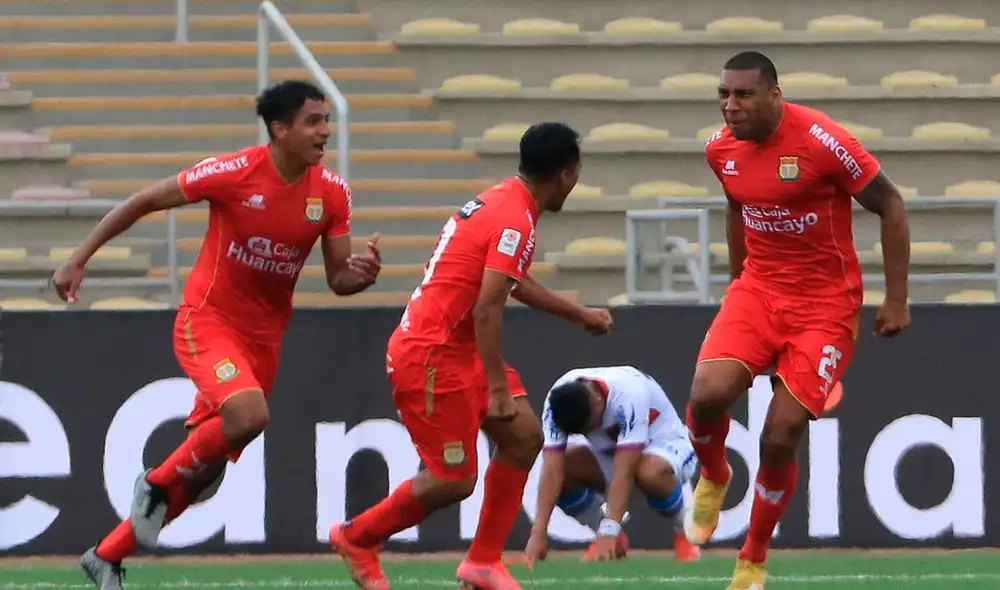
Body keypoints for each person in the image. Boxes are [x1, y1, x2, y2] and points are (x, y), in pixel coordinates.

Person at [55, 80, 383, 590]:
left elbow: (338, 277)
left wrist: (360, 277)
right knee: (247, 416)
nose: (325, 131)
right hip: (208, 321)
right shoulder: (234, 172)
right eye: (314, 121)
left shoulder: (332, 193)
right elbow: (144, 200)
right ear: (280, 129)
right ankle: (156, 482)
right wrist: (79, 259)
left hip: (265, 338)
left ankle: (105, 555)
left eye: (326, 120)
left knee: (205, 473)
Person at [327, 122, 614, 590]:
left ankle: (482, 561)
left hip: (457, 350)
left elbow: (506, 282)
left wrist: (576, 313)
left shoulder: (504, 199)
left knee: (523, 437)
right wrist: (499, 389)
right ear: (566, 174)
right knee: (454, 478)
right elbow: (487, 308)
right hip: (432, 355)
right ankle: (357, 537)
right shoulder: (515, 219)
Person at [686, 51, 911, 589]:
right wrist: (740, 277)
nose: (729, 105)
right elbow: (738, 205)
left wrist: (897, 299)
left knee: (781, 433)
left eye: (742, 95)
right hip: (758, 292)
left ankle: (753, 556)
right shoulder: (720, 150)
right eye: (724, 94)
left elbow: (892, 204)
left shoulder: (823, 141)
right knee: (707, 394)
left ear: (774, 95)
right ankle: (715, 474)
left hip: (825, 306)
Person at [525, 365, 701, 565]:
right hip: (614, 452)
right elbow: (551, 469)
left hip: (667, 446)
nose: (588, 433)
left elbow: (625, 469)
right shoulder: (556, 401)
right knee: (565, 466)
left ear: (598, 402)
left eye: (587, 428)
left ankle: (684, 531)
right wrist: (538, 532)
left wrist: (610, 528)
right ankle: (606, 535)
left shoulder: (629, 394)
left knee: (648, 472)